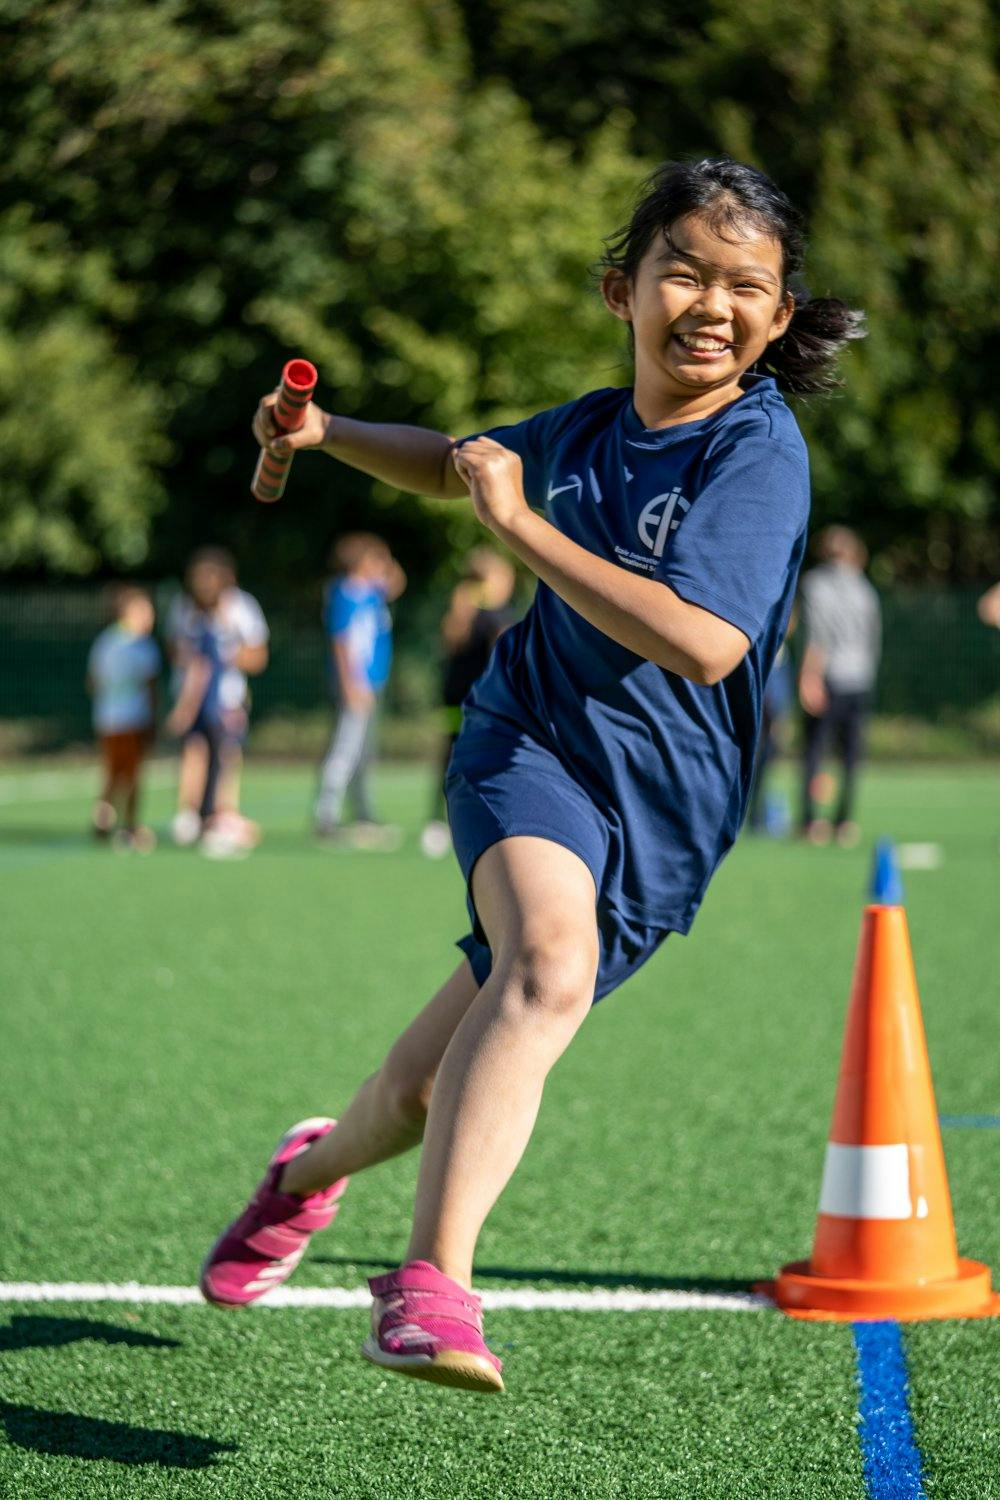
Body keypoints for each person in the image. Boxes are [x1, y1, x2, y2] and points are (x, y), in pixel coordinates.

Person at [201, 157, 864, 1393]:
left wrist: (520, 529)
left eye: (744, 286)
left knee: (411, 1093)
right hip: (529, 748)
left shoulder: (757, 455)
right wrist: (327, 432)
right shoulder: (576, 433)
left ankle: (297, 1180)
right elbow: (452, 461)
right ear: (626, 290)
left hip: (666, 819)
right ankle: (432, 1290)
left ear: (777, 319)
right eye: (684, 271)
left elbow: (702, 639)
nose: (710, 304)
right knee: (547, 966)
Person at [165, 548, 269, 855]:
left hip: (227, 698)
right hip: (191, 694)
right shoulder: (183, 607)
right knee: (193, 750)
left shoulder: (241, 606)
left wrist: (225, 655)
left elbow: (258, 655)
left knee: (226, 754)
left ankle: (222, 814)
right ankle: (189, 813)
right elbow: (173, 647)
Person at [421, 547, 518, 858]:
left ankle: (446, 820)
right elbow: (499, 647)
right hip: (472, 697)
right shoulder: (484, 612)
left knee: (457, 754)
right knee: (468, 754)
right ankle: (449, 820)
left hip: (464, 694)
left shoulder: (478, 610)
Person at [314, 533, 406, 847]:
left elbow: (397, 582)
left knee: (364, 751)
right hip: (356, 682)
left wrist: (385, 559)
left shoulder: (371, 592)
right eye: (376, 559)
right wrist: (351, 683)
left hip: (372, 681)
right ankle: (325, 813)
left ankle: (362, 812)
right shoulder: (345, 593)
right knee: (346, 746)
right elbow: (341, 642)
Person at [797, 526, 881, 846]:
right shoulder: (865, 589)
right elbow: (873, 639)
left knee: (815, 752)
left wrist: (808, 677)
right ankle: (844, 822)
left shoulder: (815, 584)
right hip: (859, 678)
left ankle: (810, 821)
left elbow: (817, 637)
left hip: (829, 676)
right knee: (850, 755)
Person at [86, 584, 160, 850]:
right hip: (133, 720)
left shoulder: (104, 641)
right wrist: (153, 719)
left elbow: (93, 683)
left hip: (107, 719)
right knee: (132, 775)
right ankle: (130, 825)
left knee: (112, 771)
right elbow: (150, 685)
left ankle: (103, 814)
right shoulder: (143, 646)